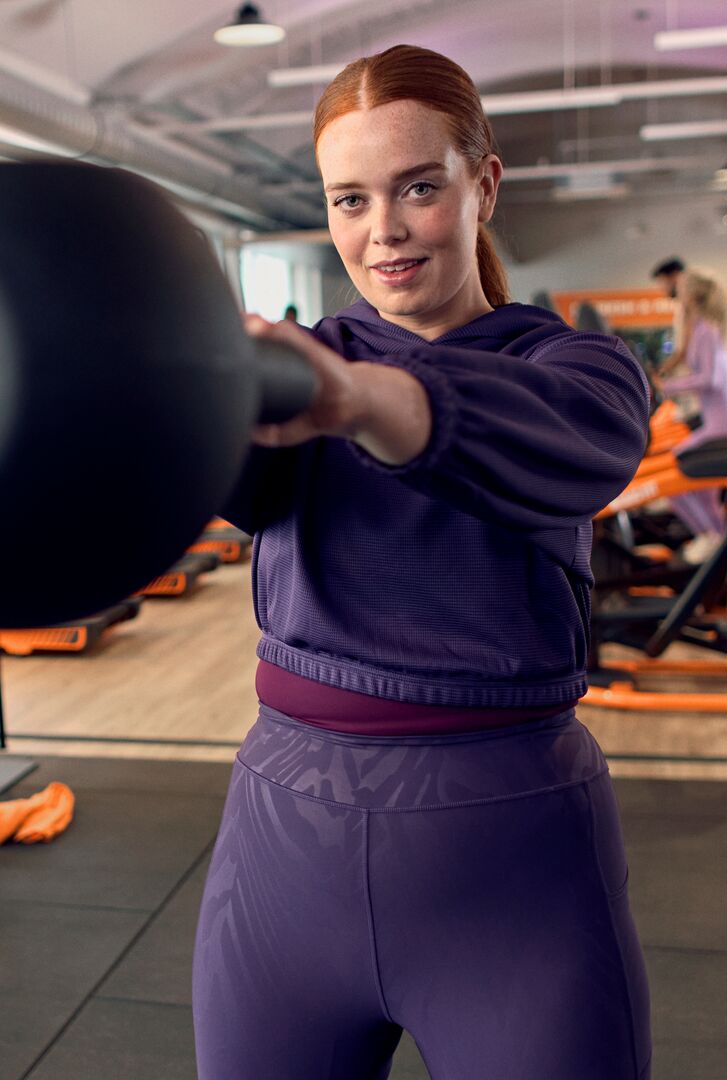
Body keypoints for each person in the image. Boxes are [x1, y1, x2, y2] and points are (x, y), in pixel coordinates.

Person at [195, 44, 653, 1080]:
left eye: (417, 189)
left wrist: (366, 402)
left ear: (483, 183)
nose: (383, 231)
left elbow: (575, 443)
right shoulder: (293, 369)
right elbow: (234, 488)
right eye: (348, 200)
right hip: (283, 836)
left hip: (509, 851)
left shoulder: (575, 368)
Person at [658, 267, 727, 558]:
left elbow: (712, 379)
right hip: (722, 420)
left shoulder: (707, 331)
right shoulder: (702, 329)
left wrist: (667, 387)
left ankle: (711, 538)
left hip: (724, 423)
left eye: (683, 288)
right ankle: (720, 542)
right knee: (702, 489)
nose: (677, 292)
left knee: (675, 474)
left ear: (693, 295)